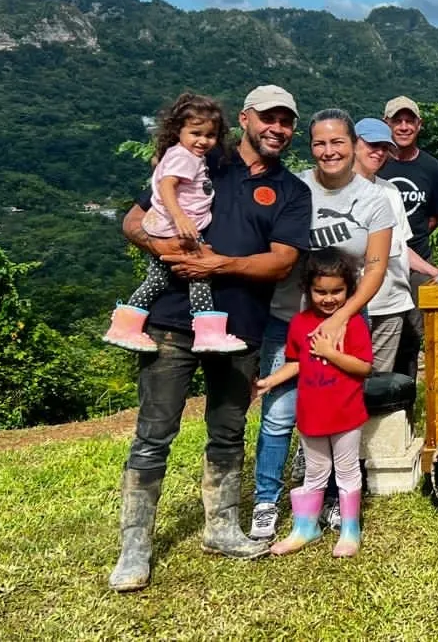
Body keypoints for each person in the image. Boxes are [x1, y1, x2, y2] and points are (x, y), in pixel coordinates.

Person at [108, 84, 312, 592]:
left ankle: (221, 527)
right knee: (155, 433)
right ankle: (135, 546)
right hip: (171, 323)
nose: (277, 129)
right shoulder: (200, 156)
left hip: (239, 329)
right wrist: (166, 245)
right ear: (244, 119)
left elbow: (284, 260)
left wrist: (221, 263)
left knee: (227, 430)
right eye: (268, 118)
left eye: (286, 121)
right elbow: (134, 219)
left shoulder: (291, 190)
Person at [251, 109, 395, 541]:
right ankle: (265, 500)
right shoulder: (293, 188)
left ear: (354, 146)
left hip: (346, 320)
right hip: (286, 318)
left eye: (337, 142)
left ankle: (335, 498)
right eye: (319, 143)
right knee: (279, 412)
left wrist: (343, 318)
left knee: (339, 406)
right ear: (310, 147)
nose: (328, 151)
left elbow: (374, 267)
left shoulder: (373, 199)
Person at [103, 92, 243, 354]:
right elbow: (168, 185)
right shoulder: (185, 157)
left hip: (162, 225)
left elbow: (162, 170)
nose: (203, 141)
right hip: (178, 228)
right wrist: (181, 217)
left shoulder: (177, 152)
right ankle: (207, 334)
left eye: (210, 136)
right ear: (179, 130)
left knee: (156, 280)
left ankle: (125, 326)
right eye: (196, 133)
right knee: (200, 275)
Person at [256, 250, 374, 557]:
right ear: (308, 289)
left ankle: (350, 530)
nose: (329, 298)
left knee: (347, 472)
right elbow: (297, 361)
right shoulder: (298, 324)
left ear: (349, 289)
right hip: (311, 416)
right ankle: (306, 527)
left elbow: (364, 367)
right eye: (320, 291)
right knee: (315, 472)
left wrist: (331, 352)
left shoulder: (355, 325)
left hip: (346, 415)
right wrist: (270, 380)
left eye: (337, 291)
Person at [353, 118, 438, 374]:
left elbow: (400, 245)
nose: (378, 152)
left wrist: (435, 272)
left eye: (383, 146)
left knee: (382, 382)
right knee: (348, 378)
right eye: (371, 144)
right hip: (354, 303)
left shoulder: (390, 191)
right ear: (353, 144)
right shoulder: (336, 189)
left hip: (392, 302)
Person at [377, 95, 438, 381]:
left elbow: (434, 216)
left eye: (410, 121)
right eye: (398, 120)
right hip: (380, 263)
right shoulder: (377, 162)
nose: (404, 126)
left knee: (414, 335)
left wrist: (409, 243)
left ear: (419, 125)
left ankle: (404, 397)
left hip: (418, 258)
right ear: (387, 124)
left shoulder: (431, 168)